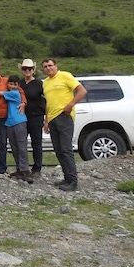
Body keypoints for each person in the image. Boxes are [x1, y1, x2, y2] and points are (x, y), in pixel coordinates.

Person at [42, 58, 87, 191]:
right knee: (58, 150)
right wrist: (46, 121)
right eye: (45, 67)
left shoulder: (65, 76)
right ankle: (67, 178)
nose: (48, 68)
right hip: (52, 118)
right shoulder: (45, 83)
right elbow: (48, 103)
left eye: (50, 65)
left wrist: (71, 104)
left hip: (64, 116)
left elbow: (82, 91)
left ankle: (73, 181)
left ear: (56, 66)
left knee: (66, 149)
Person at [19, 58, 45, 176]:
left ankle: (37, 167)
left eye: (29, 68)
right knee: (22, 142)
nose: (27, 70)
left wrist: (46, 117)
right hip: (22, 116)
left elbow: (46, 100)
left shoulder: (40, 84)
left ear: (33, 70)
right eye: (25, 68)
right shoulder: (19, 83)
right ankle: (23, 166)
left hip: (36, 116)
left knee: (36, 142)